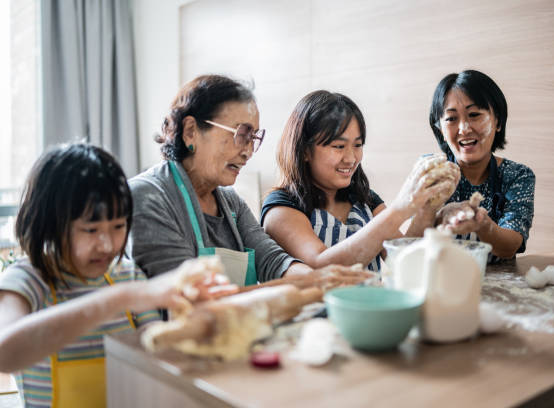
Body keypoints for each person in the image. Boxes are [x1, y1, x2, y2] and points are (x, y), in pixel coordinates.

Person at [0, 144, 221, 408]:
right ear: (49, 224)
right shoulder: (27, 281)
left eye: (118, 227)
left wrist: (192, 318)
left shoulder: (127, 275)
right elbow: (5, 354)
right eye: (91, 230)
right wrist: (119, 298)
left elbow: (157, 354)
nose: (106, 244)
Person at [128, 76, 372, 286]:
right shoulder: (147, 197)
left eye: (253, 137)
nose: (248, 151)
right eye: (241, 134)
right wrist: (310, 284)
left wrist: (317, 278)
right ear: (191, 131)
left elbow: (274, 262)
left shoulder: (231, 204)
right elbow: (191, 300)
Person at [261, 90, 459, 271]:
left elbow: (403, 260)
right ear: (304, 150)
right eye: (338, 146)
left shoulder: (365, 199)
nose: (351, 158)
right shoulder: (280, 207)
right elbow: (320, 265)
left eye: (357, 145)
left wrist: (428, 207)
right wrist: (400, 208)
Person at [429, 70, 535, 260]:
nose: (464, 128)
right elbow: (411, 243)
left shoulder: (517, 175)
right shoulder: (431, 171)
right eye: (451, 119)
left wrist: (482, 223)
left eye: (474, 114)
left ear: (498, 122)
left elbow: (509, 246)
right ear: (441, 129)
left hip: (499, 285)